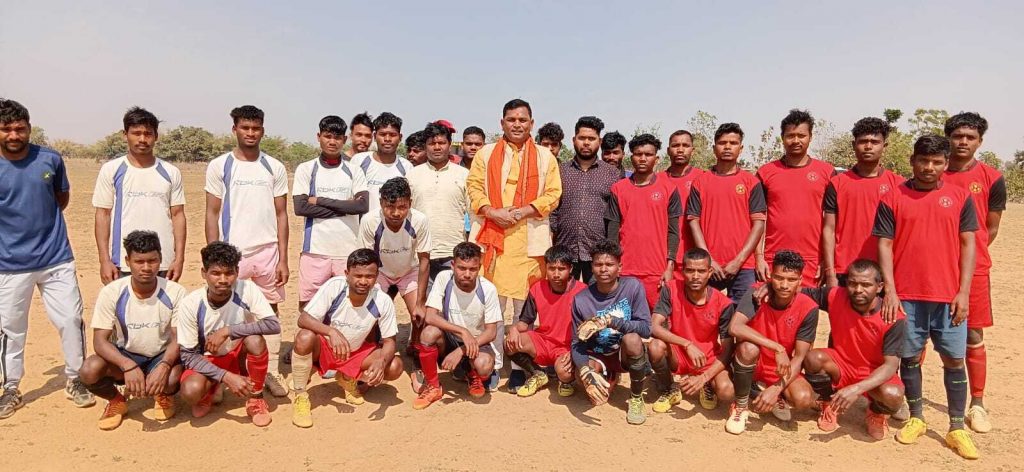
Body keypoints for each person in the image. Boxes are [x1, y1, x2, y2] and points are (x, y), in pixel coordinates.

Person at [874, 135, 980, 459]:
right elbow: (884, 245)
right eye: (923, 160)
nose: (929, 167)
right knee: (909, 357)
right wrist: (890, 290)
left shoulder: (960, 198)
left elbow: (968, 245)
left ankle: (956, 426)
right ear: (913, 161)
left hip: (948, 297)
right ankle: (917, 418)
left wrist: (963, 292)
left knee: (954, 359)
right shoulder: (893, 197)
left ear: (946, 164)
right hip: (906, 296)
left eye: (936, 162)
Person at [0, 98, 94, 419]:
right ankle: (11, 388)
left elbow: (60, 198)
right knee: (10, 328)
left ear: (29, 128)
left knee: (71, 320)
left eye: (20, 128)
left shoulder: (49, 159)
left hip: (56, 258)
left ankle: (76, 379)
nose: (14, 135)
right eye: (6, 129)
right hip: (9, 264)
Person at [466, 98, 562, 387]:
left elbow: (553, 194)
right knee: (492, 308)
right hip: (493, 239)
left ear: (531, 124)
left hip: (530, 242)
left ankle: (520, 365)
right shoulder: (485, 154)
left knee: (523, 311)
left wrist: (523, 211)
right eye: (511, 120)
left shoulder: (545, 157)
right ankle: (494, 363)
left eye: (522, 120)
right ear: (502, 123)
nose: (517, 124)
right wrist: (492, 211)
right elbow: (473, 188)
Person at [204, 105, 290, 397]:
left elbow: (281, 214)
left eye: (256, 128)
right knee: (230, 312)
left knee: (270, 311)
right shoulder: (220, 166)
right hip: (233, 253)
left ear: (263, 130)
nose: (251, 133)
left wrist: (283, 258)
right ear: (235, 130)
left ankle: (270, 371)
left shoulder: (274, 166)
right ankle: (226, 374)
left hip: (267, 251)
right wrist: (214, 255)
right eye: (245, 128)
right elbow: (211, 212)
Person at [79, 231, 187, 430]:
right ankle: (116, 400)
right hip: (127, 354)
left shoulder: (175, 292)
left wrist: (164, 366)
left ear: (160, 260)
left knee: (172, 379)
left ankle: (163, 394)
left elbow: (179, 337)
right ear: (128, 261)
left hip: (161, 355)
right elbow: (99, 341)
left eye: (152, 261)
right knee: (89, 370)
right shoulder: (111, 292)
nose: (146, 268)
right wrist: (127, 365)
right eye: (139, 261)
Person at [289, 249, 404, 428]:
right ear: (347, 274)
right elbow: (303, 319)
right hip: (326, 348)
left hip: (355, 353)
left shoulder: (382, 300)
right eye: (358, 275)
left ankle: (347, 377)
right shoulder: (335, 287)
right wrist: (331, 332)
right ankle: (300, 395)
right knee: (304, 337)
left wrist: (381, 362)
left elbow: (390, 341)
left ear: (376, 277)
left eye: (369, 276)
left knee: (394, 366)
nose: (363, 281)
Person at [942, 112, 1005, 433]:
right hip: (933, 267)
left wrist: (968, 256)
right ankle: (911, 403)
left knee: (973, 334)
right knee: (918, 333)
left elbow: (990, 228)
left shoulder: (992, 178)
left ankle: (977, 403)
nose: (963, 142)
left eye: (970, 137)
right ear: (948, 138)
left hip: (975, 269)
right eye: (957, 136)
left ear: (980, 142)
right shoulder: (933, 171)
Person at [798, 259, 906, 440]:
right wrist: (767, 287)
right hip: (842, 365)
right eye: (853, 283)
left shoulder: (893, 317)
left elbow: (890, 366)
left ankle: (876, 413)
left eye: (866, 285)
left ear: (879, 287)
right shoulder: (835, 296)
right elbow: (797, 291)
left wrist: (856, 389)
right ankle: (828, 402)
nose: (858, 290)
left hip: (873, 372)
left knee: (893, 396)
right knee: (813, 359)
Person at [176, 242, 281, 426]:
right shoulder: (191, 303)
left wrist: (229, 331)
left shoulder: (247, 289)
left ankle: (256, 397)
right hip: (208, 358)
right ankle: (211, 389)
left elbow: (273, 325)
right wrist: (226, 376)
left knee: (255, 340)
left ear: (237, 272)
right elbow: (188, 356)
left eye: (229, 273)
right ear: (204, 273)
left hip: (238, 353)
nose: (223, 280)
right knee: (191, 392)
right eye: (216, 273)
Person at [726, 250, 818, 435]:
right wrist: (776, 347)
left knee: (803, 398)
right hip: (754, 361)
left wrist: (776, 389)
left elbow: (799, 358)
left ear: (800, 280)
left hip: (780, 368)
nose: (784, 285)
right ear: (770, 277)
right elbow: (734, 327)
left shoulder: (809, 308)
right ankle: (740, 405)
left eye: (791, 280)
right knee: (748, 348)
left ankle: (775, 393)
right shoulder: (756, 294)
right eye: (778, 278)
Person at [93, 107, 186, 283]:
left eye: (148, 134)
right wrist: (104, 260)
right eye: (136, 133)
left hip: (162, 263)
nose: (142, 139)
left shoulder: (170, 172)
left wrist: (179, 259)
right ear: (125, 135)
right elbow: (103, 214)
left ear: (156, 136)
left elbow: (178, 215)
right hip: (122, 262)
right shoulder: (111, 170)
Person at [568, 240, 652, 425]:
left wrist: (611, 321)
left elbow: (646, 329)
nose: (603, 269)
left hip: (624, 353)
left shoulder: (632, 287)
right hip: (598, 353)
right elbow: (576, 342)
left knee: (632, 339)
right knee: (585, 383)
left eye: (609, 264)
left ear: (619, 267)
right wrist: (584, 370)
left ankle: (636, 397)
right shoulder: (581, 300)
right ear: (592, 267)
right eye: (598, 264)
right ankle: (609, 375)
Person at [410, 243, 502, 409]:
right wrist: (462, 331)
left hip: (476, 342)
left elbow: (491, 332)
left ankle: (472, 374)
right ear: (453, 265)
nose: (467, 274)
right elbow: (430, 316)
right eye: (461, 268)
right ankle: (433, 386)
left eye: (472, 269)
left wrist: (461, 351)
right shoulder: (444, 278)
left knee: (484, 365)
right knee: (428, 333)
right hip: (450, 338)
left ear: (479, 267)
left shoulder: (488, 289)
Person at [292, 115, 369, 308]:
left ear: (344, 139)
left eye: (337, 137)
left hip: (347, 250)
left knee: (346, 305)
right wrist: (345, 208)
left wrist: (319, 200)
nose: (332, 142)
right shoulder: (306, 169)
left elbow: (361, 206)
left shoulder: (354, 170)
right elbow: (301, 208)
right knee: (308, 305)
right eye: (327, 136)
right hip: (315, 250)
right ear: (319, 137)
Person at [648, 248, 735, 414]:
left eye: (701, 271)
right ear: (682, 271)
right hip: (679, 353)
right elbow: (654, 325)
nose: (695, 276)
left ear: (710, 272)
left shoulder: (723, 303)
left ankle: (706, 384)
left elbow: (727, 350)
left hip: (707, 358)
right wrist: (686, 344)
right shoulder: (671, 289)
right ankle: (669, 388)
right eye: (690, 270)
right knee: (655, 347)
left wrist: (704, 377)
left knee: (726, 391)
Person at [821, 117, 905, 287]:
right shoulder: (837, 183)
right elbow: (829, 229)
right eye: (863, 141)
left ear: (884, 146)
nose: (868, 146)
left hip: (885, 272)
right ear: (854, 145)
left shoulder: (899, 185)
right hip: (845, 270)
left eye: (874, 142)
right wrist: (830, 272)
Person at [687, 123, 765, 305]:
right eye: (722, 143)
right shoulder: (700, 182)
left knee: (743, 316)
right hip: (708, 265)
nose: (728, 147)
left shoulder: (751, 182)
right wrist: (708, 259)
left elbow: (759, 224)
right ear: (714, 148)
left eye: (733, 143)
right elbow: (693, 222)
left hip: (743, 266)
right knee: (703, 315)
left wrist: (738, 261)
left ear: (741, 148)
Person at [756, 109, 835, 286]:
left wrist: (826, 260)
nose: (796, 140)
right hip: (773, 258)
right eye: (790, 136)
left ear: (810, 137)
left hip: (812, 260)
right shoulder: (765, 173)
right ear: (782, 138)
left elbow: (833, 223)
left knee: (807, 304)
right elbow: (757, 220)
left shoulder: (827, 172)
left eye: (801, 135)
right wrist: (759, 257)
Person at [606, 133, 682, 310]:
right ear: (631, 157)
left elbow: (673, 232)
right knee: (624, 321)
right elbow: (612, 232)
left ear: (656, 158)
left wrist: (669, 266)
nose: (643, 158)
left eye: (648, 154)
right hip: (626, 269)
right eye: (638, 154)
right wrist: (614, 265)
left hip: (656, 271)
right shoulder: (618, 189)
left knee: (658, 321)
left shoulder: (669, 189)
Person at [505, 245, 587, 397]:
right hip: (543, 341)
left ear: (570, 269)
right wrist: (513, 329)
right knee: (509, 343)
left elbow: (588, 329)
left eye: (561, 269)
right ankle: (538, 373)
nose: (556, 274)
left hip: (566, 347)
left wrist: (575, 352)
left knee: (565, 373)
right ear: (546, 268)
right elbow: (524, 322)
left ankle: (565, 381)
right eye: (551, 268)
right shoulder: (537, 288)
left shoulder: (582, 291)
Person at [359, 177, 431, 347]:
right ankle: (371, 348)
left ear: (410, 203)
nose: (396, 213)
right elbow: (365, 260)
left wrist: (420, 303)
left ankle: (415, 346)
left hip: (409, 271)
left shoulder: (420, 220)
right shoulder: (370, 221)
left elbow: (424, 260)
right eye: (389, 207)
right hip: (380, 272)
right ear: (381, 203)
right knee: (369, 313)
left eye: (402, 207)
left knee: (421, 316)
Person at [549, 116, 620, 282]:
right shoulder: (560, 171)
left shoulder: (612, 174)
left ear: (599, 141)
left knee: (598, 296)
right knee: (566, 295)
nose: (586, 143)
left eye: (591, 139)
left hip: (598, 253)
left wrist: (611, 249)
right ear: (574, 140)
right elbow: (553, 209)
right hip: (565, 250)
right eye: (582, 138)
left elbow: (616, 215)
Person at [408, 123, 470, 285]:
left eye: (441, 143)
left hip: (453, 252)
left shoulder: (464, 175)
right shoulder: (412, 176)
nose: (437, 147)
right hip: (420, 253)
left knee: (452, 299)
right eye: (432, 143)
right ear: (425, 146)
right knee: (422, 300)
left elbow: (473, 214)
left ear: (449, 145)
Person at [662, 130, 703, 278]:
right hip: (664, 257)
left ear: (693, 150)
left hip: (695, 259)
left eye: (685, 145)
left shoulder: (703, 178)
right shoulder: (657, 181)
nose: (680, 150)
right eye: (675, 145)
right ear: (668, 150)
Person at [354, 112, 412, 214]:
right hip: (363, 223)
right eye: (382, 134)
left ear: (400, 137)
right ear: (375, 136)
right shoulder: (359, 161)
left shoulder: (407, 167)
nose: (387, 139)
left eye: (393, 135)